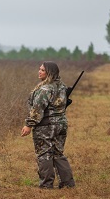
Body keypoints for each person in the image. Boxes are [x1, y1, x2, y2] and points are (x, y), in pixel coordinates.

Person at [21, 61, 75, 189]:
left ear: (50, 73)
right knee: (58, 154)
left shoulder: (45, 89)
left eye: (43, 70)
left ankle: (46, 185)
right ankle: (67, 184)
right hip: (61, 124)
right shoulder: (61, 86)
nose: (39, 72)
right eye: (39, 69)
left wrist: (29, 125)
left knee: (44, 154)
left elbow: (37, 109)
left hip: (46, 126)